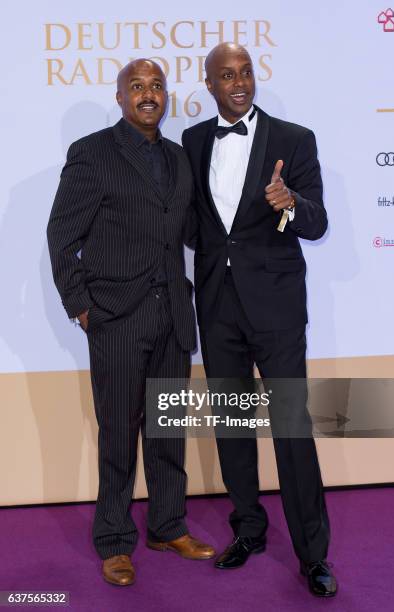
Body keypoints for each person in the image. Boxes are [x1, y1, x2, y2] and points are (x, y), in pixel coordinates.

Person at [47, 59, 215, 587]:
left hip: (172, 317)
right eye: (137, 87)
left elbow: (188, 231)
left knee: (167, 430)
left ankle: (167, 525)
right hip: (117, 318)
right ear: (120, 98)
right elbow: (61, 236)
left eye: (157, 87)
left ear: (166, 97)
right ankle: (115, 541)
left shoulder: (179, 157)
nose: (149, 95)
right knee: (119, 433)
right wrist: (81, 305)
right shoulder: (93, 152)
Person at [182, 43, 337, 598]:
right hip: (217, 306)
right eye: (227, 75)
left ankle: (314, 555)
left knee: (292, 431)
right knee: (233, 428)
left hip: (275, 308)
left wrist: (289, 201)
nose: (239, 82)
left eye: (246, 72)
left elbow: (318, 223)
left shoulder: (294, 139)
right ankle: (248, 530)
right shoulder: (194, 141)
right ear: (209, 84)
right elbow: (196, 226)